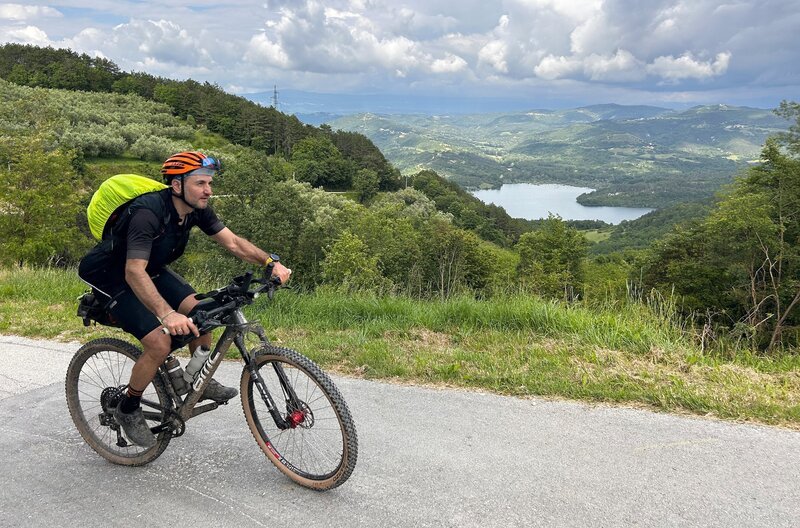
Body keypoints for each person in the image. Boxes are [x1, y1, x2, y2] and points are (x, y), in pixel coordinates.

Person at [78, 151, 291, 448]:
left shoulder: (196, 210)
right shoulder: (147, 213)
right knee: (159, 342)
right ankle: (128, 408)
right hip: (111, 275)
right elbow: (132, 270)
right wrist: (167, 315)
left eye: (210, 183)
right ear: (177, 185)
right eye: (200, 183)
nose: (208, 190)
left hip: (148, 267)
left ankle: (194, 382)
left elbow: (232, 242)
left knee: (205, 313)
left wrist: (270, 261)